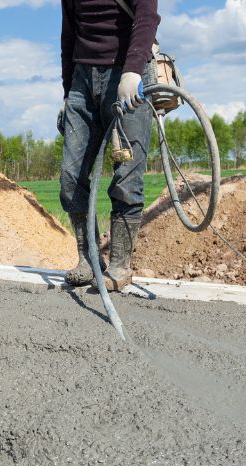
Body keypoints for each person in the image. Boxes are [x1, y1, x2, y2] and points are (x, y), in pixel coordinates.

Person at [59, 0, 160, 290]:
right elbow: (69, 33)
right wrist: (68, 93)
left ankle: (120, 265)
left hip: (125, 76)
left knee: (126, 178)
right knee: (70, 177)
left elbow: (147, 17)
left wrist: (133, 70)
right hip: (82, 81)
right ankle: (89, 259)